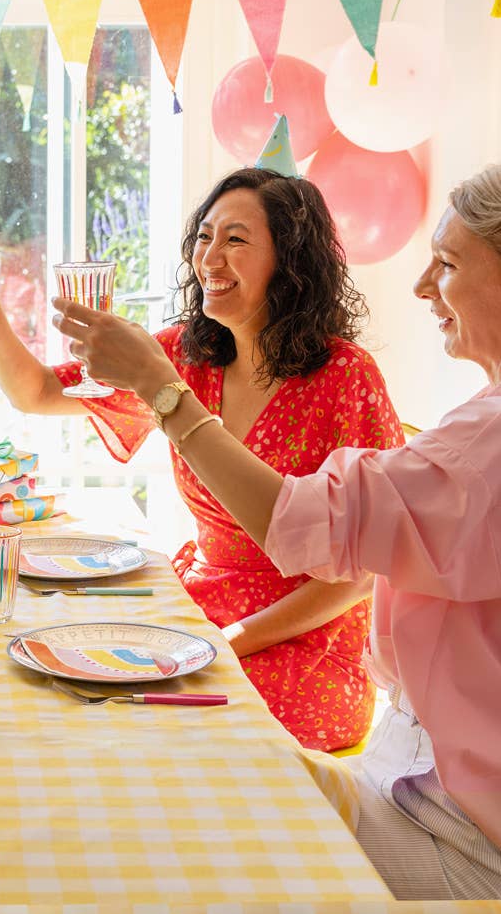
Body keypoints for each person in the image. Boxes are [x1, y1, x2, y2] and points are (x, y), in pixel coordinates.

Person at [53, 165, 501, 899]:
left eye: (447, 264)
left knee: (159, 815)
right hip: (407, 776)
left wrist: (163, 392)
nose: (422, 286)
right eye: (206, 237)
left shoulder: (474, 440)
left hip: (460, 829)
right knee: (154, 765)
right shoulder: (478, 424)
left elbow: (308, 529)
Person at [0, 168, 403, 750]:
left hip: (307, 643)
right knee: (62, 679)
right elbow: (36, 391)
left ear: (291, 262)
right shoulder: (185, 358)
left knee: (149, 727)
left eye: (236, 239)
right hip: (201, 611)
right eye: (204, 236)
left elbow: (364, 573)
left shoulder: (346, 376)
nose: (210, 257)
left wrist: (230, 641)